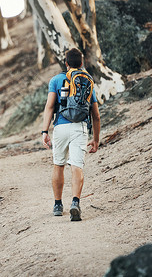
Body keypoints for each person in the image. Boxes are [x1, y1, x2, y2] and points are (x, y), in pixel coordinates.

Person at [41, 48, 100, 221]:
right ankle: (75, 202)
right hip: (79, 128)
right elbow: (95, 115)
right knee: (77, 166)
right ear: (82, 64)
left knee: (58, 165)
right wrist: (96, 139)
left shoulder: (56, 80)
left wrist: (45, 131)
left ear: (66, 63)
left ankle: (58, 204)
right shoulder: (87, 81)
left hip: (60, 127)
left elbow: (50, 106)